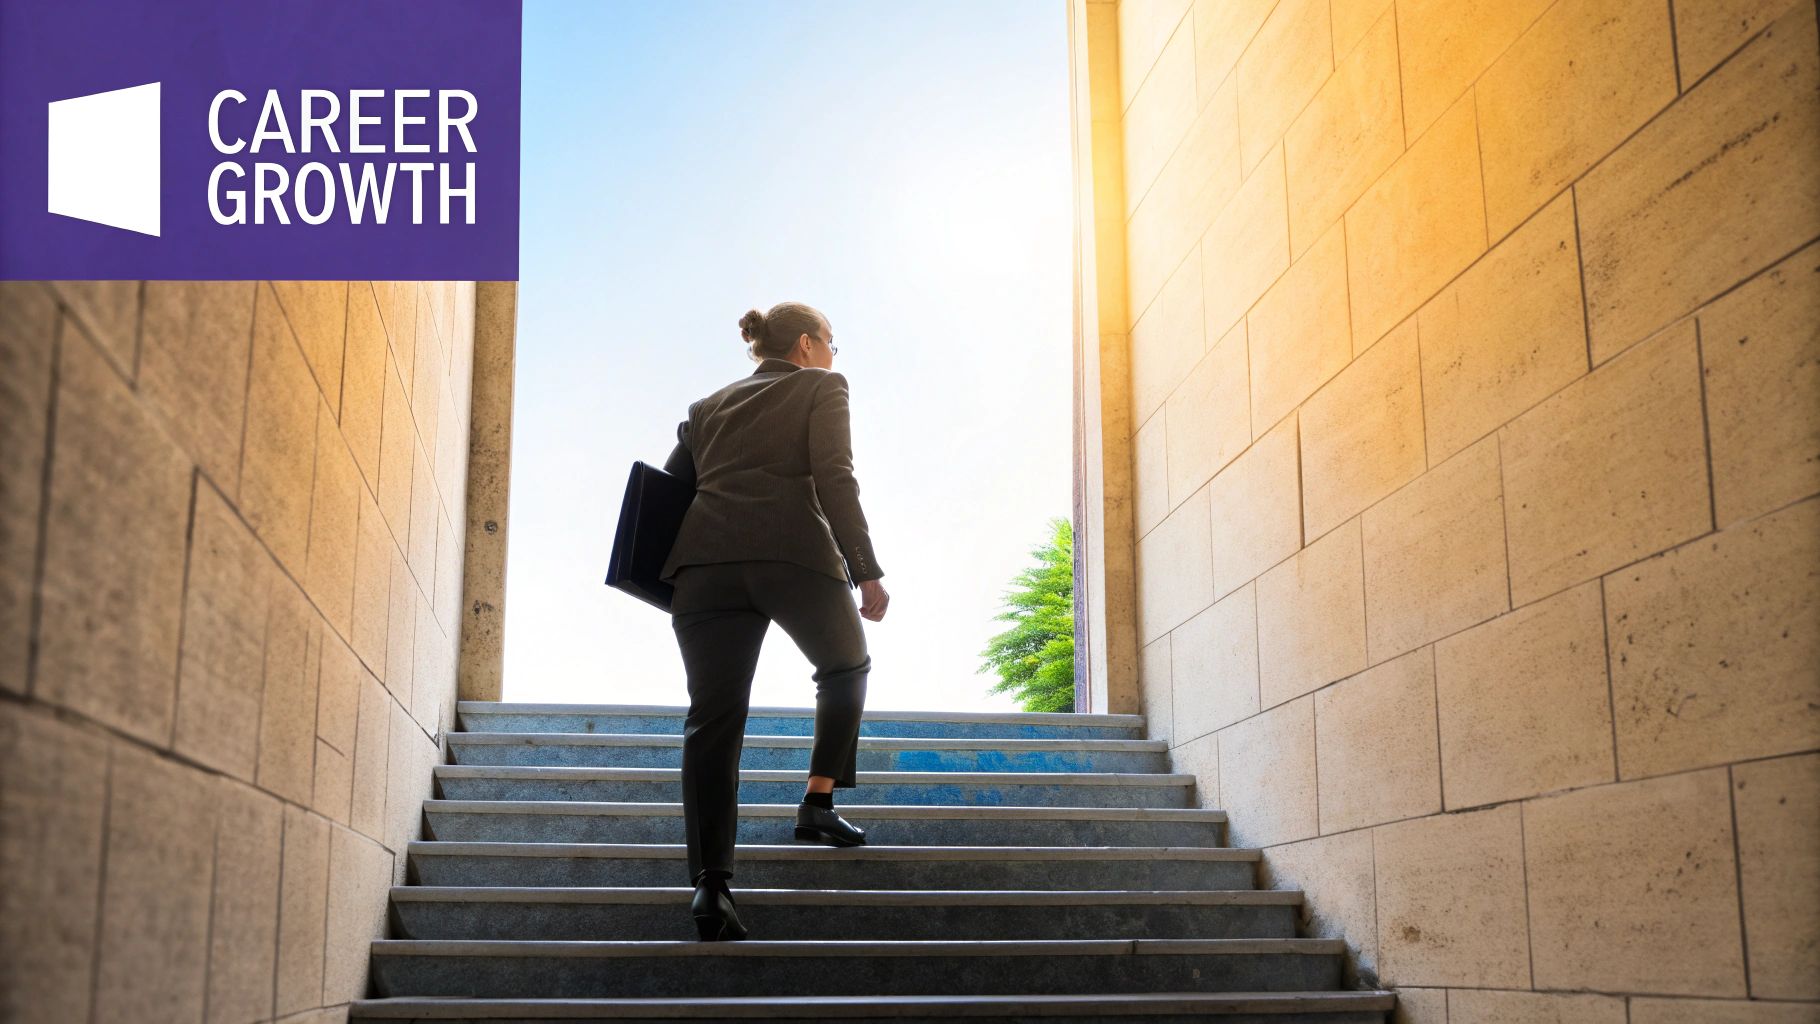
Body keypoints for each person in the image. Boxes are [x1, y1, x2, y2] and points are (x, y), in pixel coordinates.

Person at [657, 301, 891, 941]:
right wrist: (866, 569)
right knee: (846, 666)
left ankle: (711, 885)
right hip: (793, 556)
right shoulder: (821, 386)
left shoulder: (706, 408)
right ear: (808, 345)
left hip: (704, 570)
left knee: (712, 720)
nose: (833, 354)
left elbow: (671, 490)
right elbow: (836, 478)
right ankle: (817, 800)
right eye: (832, 342)